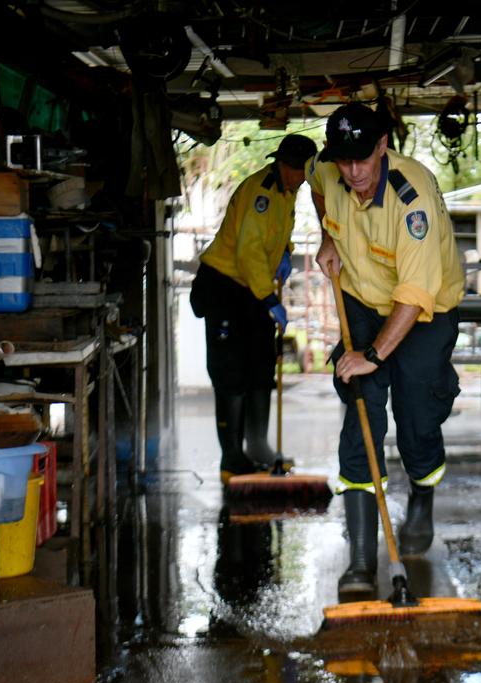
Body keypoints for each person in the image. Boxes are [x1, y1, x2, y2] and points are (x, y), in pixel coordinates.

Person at [310, 102, 464, 594]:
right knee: (361, 414)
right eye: (344, 160)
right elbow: (317, 185)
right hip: (361, 297)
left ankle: (422, 491)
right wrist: (326, 235)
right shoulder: (330, 169)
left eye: (363, 159)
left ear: (383, 146)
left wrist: (373, 355)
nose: (353, 172)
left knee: (417, 412)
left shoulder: (410, 196)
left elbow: (414, 296)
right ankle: (359, 561)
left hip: (424, 312)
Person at [190, 134, 318, 481]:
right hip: (226, 286)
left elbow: (274, 234)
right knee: (231, 374)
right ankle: (232, 458)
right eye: (296, 171)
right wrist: (270, 299)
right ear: (282, 165)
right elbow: (248, 250)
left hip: (253, 288)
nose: (300, 178)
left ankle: (258, 446)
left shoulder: (287, 192)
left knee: (261, 366)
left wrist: (286, 252)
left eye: (304, 171)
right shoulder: (260, 192)